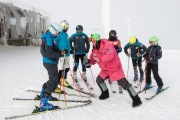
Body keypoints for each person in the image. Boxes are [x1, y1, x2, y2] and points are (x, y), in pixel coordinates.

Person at [85, 33, 142, 107]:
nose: (92, 42)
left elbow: (110, 56)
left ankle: (136, 99)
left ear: (98, 40)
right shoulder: (95, 49)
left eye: (93, 41)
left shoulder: (107, 45)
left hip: (114, 68)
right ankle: (105, 93)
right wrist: (88, 62)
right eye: (92, 41)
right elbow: (93, 60)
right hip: (105, 69)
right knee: (99, 80)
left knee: (124, 83)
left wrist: (100, 59)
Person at [39, 22, 65, 111]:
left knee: (52, 80)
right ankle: (43, 103)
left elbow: (53, 50)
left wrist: (61, 51)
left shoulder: (49, 37)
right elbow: (50, 53)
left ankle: (44, 93)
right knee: (54, 82)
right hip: (50, 62)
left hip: (50, 62)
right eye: (58, 32)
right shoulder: (48, 39)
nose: (58, 34)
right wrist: (59, 53)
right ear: (53, 30)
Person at [69, 25, 90, 90]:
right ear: (76, 30)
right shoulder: (74, 35)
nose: (80, 31)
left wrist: (87, 49)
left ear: (82, 30)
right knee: (76, 64)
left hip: (83, 53)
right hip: (76, 53)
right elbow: (69, 41)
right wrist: (72, 49)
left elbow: (88, 42)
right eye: (78, 30)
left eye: (81, 30)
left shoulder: (84, 35)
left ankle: (84, 75)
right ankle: (75, 75)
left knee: (84, 64)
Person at [55, 20, 72, 91]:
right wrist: (60, 50)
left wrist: (70, 49)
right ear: (63, 26)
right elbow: (54, 42)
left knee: (67, 68)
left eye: (68, 26)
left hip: (67, 54)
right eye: (66, 26)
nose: (67, 28)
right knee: (61, 69)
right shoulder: (59, 34)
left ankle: (63, 80)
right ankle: (58, 81)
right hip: (62, 55)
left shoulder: (66, 34)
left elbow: (67, 43)